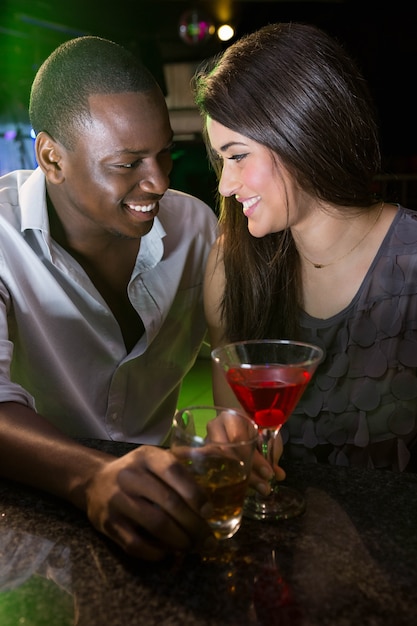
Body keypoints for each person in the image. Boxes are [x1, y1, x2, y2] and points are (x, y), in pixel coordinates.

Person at [0, 35, 227, 562]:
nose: (159, 181)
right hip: (27, 511)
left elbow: (238, 351)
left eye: (165, 153)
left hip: (158, 502)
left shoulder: (195, 227)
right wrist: (94, 476)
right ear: (51, 157)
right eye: (127, 164)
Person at [193, 22, 417, 474]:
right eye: (221, 160)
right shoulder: (228, 265)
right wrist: (236, 450)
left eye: (237, 156)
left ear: (302, 133)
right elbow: (235, 431)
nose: (224, 184)